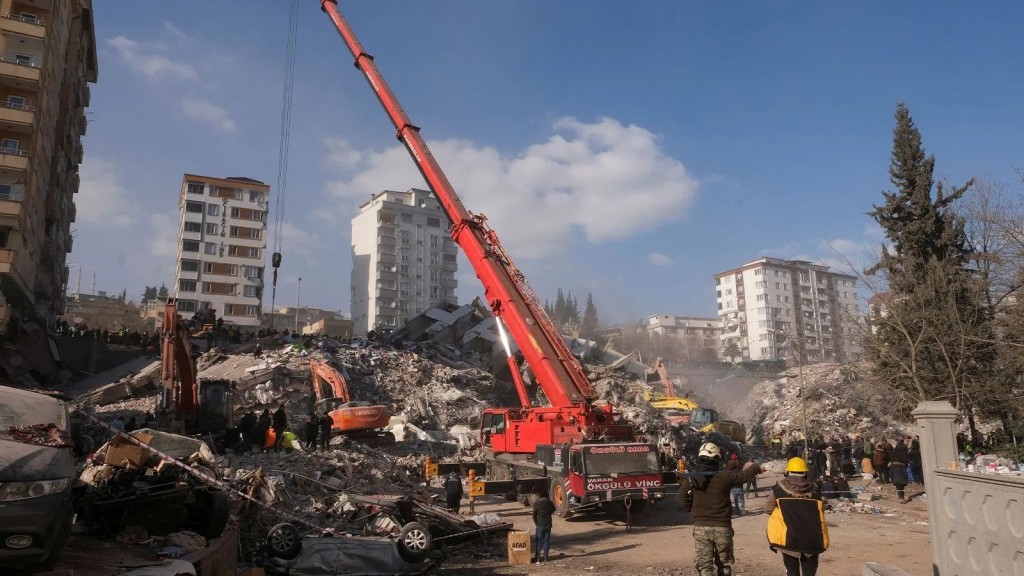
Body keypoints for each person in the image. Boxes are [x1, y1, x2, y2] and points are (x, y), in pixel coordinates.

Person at [677, 442, 762, 576]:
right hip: (723, 527)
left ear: (700, 457)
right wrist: (756, 466)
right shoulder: (725, 476)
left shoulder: (693, 478)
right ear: (717, 458)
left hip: (701, 527)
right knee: (724, 566)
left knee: (704, 567)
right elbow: (744, 476)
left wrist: (695, 511)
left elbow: (681, 499)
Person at [766, 457, 827, 576]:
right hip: (812, 539)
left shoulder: (778, 490)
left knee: (792, 572)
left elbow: (768, 509)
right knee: (809, 573)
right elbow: (821, 510)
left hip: (789, 540)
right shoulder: (815, 490)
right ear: (805, 473)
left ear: (787, 472)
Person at [532, 489, 557, 565]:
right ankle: (546, 557)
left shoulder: (537, 504)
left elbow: (534, 515)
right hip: (548, 524)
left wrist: (536, 523)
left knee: (538, 541)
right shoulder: (550, 503)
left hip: (540, 524)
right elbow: (554, 509)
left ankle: (537, 558)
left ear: (540, 496)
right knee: (546, 541)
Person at [889, 438, 910, 502]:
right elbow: (906, 459)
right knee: (902, 484)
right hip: (901, 467)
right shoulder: (903, 450)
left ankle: (901, 497)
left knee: (898, 484)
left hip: (894, 467)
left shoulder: (894, 451)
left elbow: (891, 458)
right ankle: (901, 497)